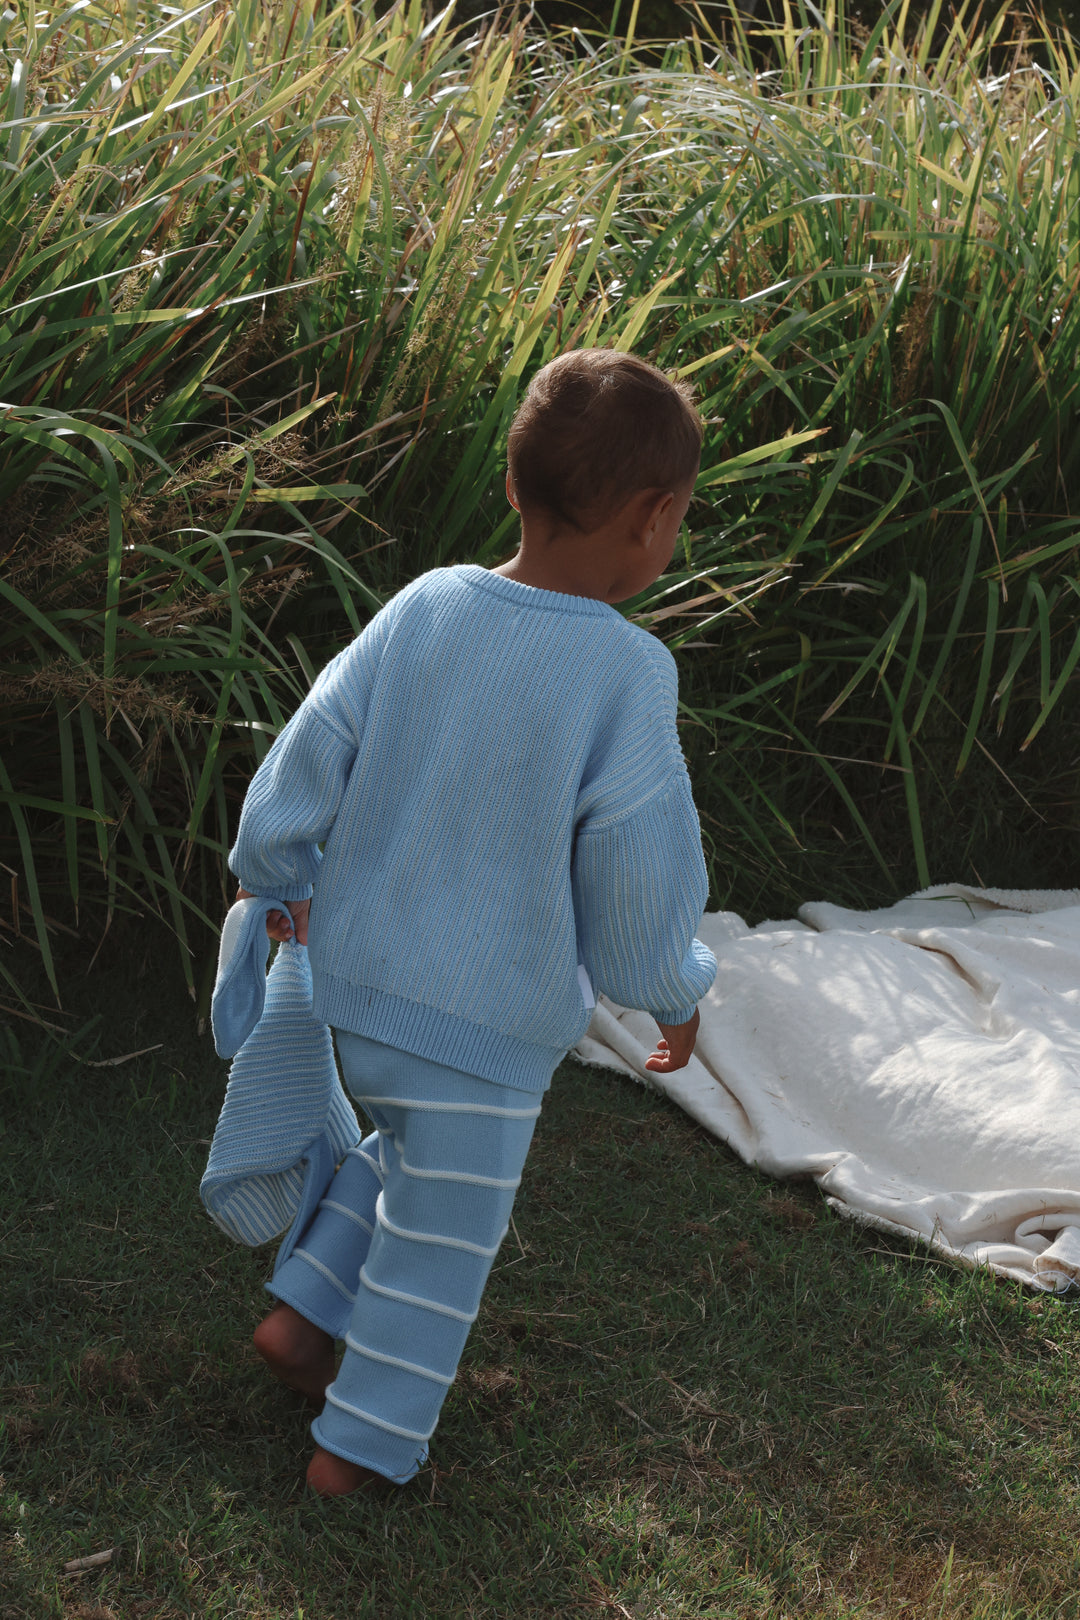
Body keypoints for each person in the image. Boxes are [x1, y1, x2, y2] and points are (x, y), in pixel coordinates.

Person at [228, 347, 718, 1498]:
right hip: (483, 1024)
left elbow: (310, 748)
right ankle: (357, 1453)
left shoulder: (427, 605)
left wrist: (274, 871)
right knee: (442, 1245)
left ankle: (303, 1326)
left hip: (359, 982)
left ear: (513, 488)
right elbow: (639, 874)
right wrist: (675, 986)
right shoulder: (626, 674)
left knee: (393, 1152)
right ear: (654, 519)